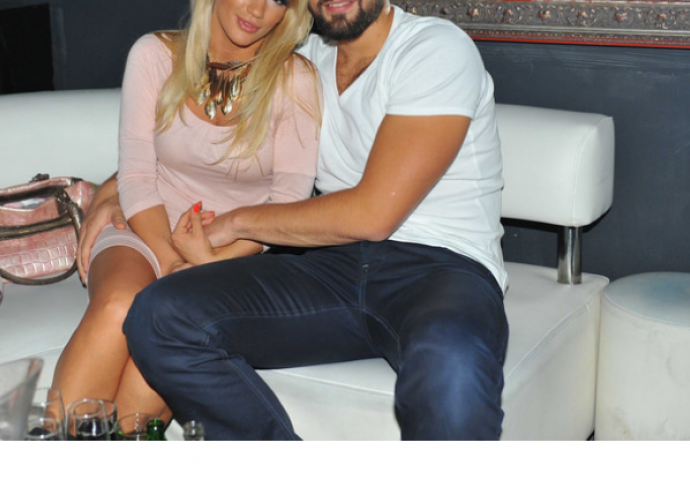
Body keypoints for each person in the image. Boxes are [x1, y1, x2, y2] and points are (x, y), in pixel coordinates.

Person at [85, 0, 509, 439]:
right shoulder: (302, 57)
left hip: (441, 266)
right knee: (161, 314)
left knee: (451, 362)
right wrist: (111, 190)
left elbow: (374, 215)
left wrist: (236, 222)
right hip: (331, 261)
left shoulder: (433, 48)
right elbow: (186, 145)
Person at [51, 0, 321, 420]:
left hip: (236, 255)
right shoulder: (154, 55)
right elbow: (137, 176)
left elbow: (287, 204)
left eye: (280, 0)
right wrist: (174, 263)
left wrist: (206, 265)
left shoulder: (296, 79)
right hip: (144, 227)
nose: (258, 9)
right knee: (118, 306)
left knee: (165, 341)